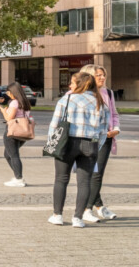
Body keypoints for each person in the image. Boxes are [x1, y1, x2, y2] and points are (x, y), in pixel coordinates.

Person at [48, 71, 104, 227]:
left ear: (79, 84)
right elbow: (103, 130)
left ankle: (57, 215)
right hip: (89, 144)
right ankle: (78, 218)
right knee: (84, 182)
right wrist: (96, 144)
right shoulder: (99, 101)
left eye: (72, 82)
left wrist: (52, 143)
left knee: (61, 179)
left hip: (67, 143)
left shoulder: (67, 99)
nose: (69, 85)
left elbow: (54, 124)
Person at [79, 63, 121, 221]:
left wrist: (116, 128)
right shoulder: (81, 94)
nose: (103, 78)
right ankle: (94, 207)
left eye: (104, 75)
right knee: (88, 174)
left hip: (106, 139)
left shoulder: (108, 93)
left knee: (97, 174)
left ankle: (89, 208)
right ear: (89, 76)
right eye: (99, 75)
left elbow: (114, 114)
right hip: (88, 138)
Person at [0, 79, 33, 188]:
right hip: (23, 132)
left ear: (13, 92)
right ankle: (18, 176)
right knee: (7, 154)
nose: (8, 94)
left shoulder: (14, 102)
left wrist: (3, 111)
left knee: (13, 155)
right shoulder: (25, 102)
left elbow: (9, 118)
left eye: (8, 92)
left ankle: (19, 179)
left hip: (13, 131)